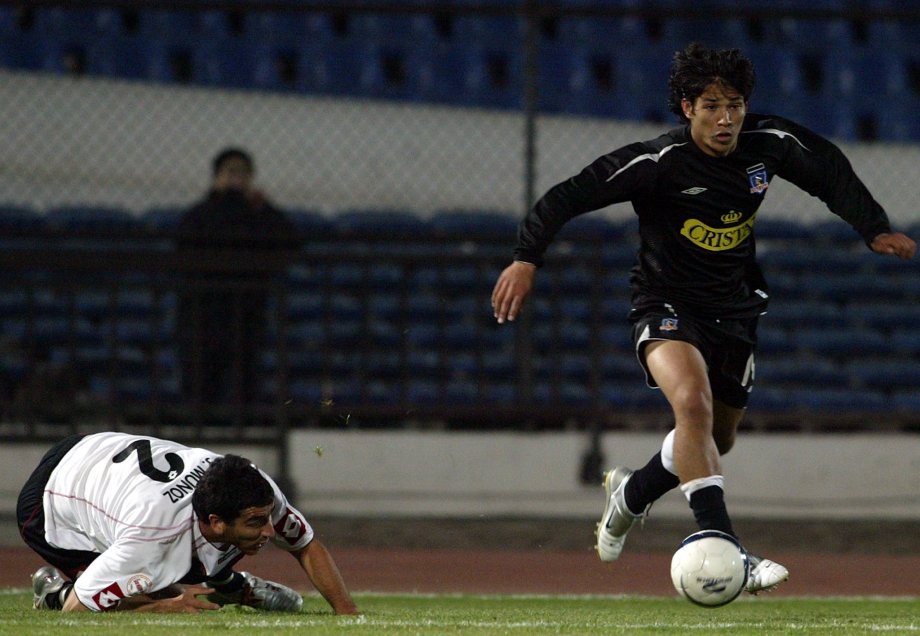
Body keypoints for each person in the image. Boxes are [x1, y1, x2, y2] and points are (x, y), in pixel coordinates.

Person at [491, 42, 916, 594]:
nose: (726, 118)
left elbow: (826, 168)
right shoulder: (656, 162)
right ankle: (726, 546)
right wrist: (526, 258)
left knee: (716, 438)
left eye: (734, 104)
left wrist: (872, 226)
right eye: (711, 105)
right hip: (665, 302)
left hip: (734, 309)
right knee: (691, 403)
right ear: (687, 107)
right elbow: (567, 196)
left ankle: (633, 494)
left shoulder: (768, 145)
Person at [17, 431, 358, 614]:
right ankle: (53, 591)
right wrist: (161, 607)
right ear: (215, 521)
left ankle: (225, 583)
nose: (270, 530)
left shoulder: (254, 485)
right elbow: (81, 607)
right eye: (256, 522)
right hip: (52, 501)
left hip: (98, 451)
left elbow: (305, 544)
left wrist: (347, 614)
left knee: (179, 566)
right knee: (148, 583)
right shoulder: (152, 536)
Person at [177, 147, 299, 414]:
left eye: (243, 173)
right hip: (206, 310)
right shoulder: (201, 215)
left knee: (245, 374)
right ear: (217, 177)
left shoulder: (258, 214)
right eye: (230, 172)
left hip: (247, 310)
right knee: (204, 375)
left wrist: (263, 207)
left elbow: (290, 240)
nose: (237, 179)